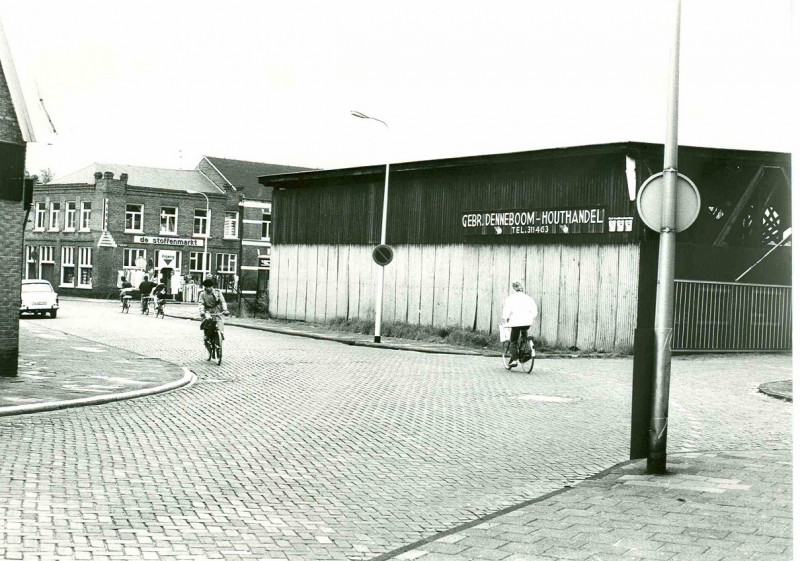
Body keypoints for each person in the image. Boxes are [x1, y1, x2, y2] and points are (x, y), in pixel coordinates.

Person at [501, 280, 538, 367]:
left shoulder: (510, 298)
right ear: (522, 289)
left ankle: (514, 360)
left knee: (513, 341)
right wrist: (531, 318)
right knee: (524, 333)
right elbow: (534, 311)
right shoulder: (529, 298)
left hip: (516, 322)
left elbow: (506, 311)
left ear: (514, 289)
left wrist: (505, 319)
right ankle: (524, 345)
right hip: (527, 322)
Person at [198, 278, 229, 344]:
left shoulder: (217, 292)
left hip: (216, 310)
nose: (209, 288)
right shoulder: (202, 294)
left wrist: (225, 310)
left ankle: (220, 334)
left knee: (220, 320)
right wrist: (202, 311)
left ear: (212, 286)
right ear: (205, 287)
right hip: (207, 310)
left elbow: (222, 301)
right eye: (207, 287)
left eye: (210, 286)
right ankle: (207, 335)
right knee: (208, 319)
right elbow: (201, 303)